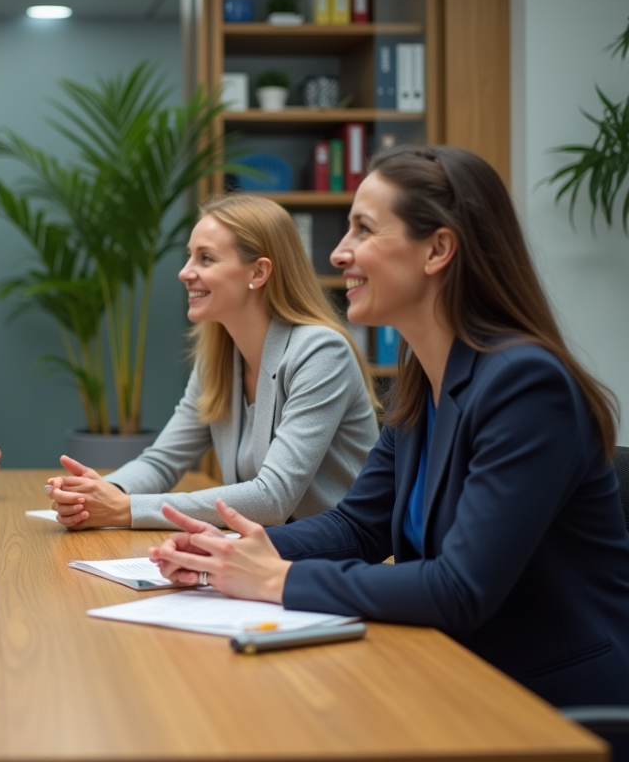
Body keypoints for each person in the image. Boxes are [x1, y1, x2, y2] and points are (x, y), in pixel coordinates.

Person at [150, 145, 629, 708]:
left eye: (364, 229)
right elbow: (358, 526)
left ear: (438, 249)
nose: (339, 252)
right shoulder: (423, 381)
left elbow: (460, 588)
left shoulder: (527, 386)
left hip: (549, 703)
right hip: (450, 671)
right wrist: (228, 553)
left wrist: (276, 579)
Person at [46, 194, 378, 529]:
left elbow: (272, 498)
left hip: (341, 553)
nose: (184, 272)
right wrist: (97, 494)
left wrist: (125, 508)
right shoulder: (218, 359)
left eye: (206, 258)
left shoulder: (320, 352)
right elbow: (162, 462)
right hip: (270, 549)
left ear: (259, 272)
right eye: (190, 256)